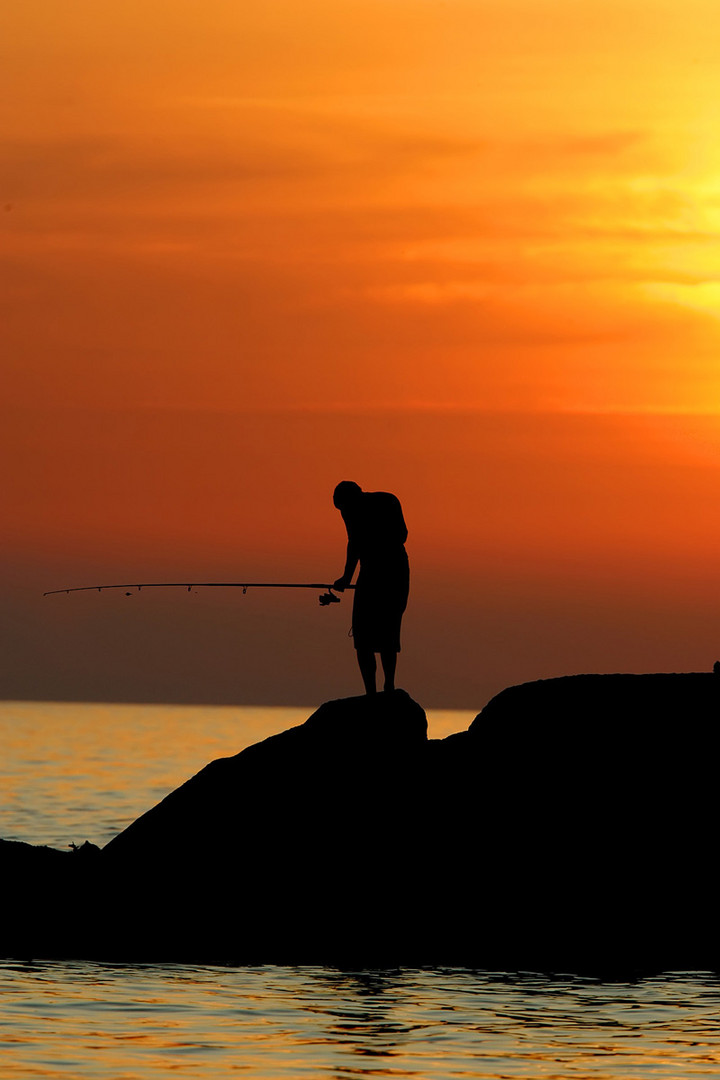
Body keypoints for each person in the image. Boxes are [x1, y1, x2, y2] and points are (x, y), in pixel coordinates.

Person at [332, 481, 409, 694]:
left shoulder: (388, 500)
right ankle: (370, 693)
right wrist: (346, 577)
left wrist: (373, 543)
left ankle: (389, 687)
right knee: (362, 637)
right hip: (369, 573)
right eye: (341, 510)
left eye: (345, 508)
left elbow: (402, 535)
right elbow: (353, 544)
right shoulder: (349, 510)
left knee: (387, 634)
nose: (344, 514)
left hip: (394, 573)